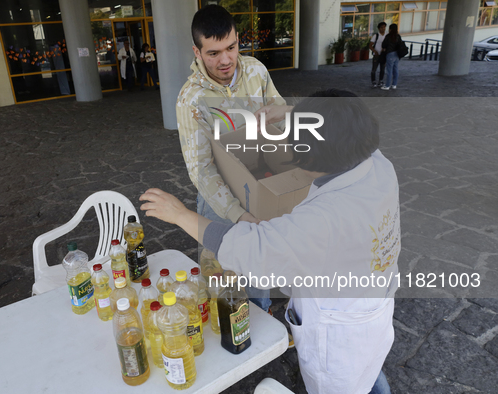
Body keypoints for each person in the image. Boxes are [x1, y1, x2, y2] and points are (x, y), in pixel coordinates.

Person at [141, 89, 399, 394]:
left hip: (339, 328)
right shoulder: (378, 165)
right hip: (375, 302)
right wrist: (289, 113)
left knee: (347, 383)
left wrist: (180, 215)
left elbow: (251, 248)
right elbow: (343, 125)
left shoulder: (325, 218)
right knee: (368, 369)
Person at [175, 4, 291, 313]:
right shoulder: (191, 100)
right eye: (213, 53)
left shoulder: (256, 71)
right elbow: (200, 169)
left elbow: (281, 120)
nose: (226, 60)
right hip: (219, 200)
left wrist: (282, 118)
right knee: (222, 281)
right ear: (197, 52)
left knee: (258, 274)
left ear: (238, 39)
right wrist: (238, 214)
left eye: (231, 47)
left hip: (261, 185)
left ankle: (261, 317)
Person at [381, 23, 402, 91]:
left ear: (390, 29)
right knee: (395, 69)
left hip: (390, 53)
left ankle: (387, 85)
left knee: (389, 70)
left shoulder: (389, 36)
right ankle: (394, 84)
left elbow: (384, 45)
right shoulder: (398, 36)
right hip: (397, 54)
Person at [369, 22, 387, 88]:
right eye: (382, 27)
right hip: (376, 55)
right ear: (379, 28)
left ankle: (381, 81)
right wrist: (374, 51)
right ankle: (373, 81)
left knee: (382, 69)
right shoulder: (376, 36)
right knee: (374, 69)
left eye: (384, 27)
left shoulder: (386, 35)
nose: (383, 29)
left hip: (383, 54)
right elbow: (370, 45)